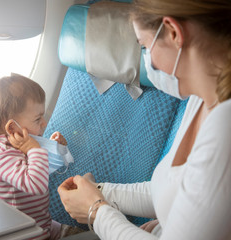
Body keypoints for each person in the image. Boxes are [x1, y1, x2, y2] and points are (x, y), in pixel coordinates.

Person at [58, 0, 231, 239]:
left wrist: (95, 211)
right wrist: (99, 191)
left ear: (172, 32)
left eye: (144, 47)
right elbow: (168, 188)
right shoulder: (200, 100)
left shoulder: (225, 128)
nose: (146, 62)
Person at [0, 73, 81, 240]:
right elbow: (36, 185)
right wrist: (35, 150)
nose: (44, 123)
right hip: (20, 233)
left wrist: (56, 148)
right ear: (12, 128)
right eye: (37, 118)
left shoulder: (20, 143)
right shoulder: (2, 156)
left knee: (82, 233)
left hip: (39, 223)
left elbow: (40, 169)